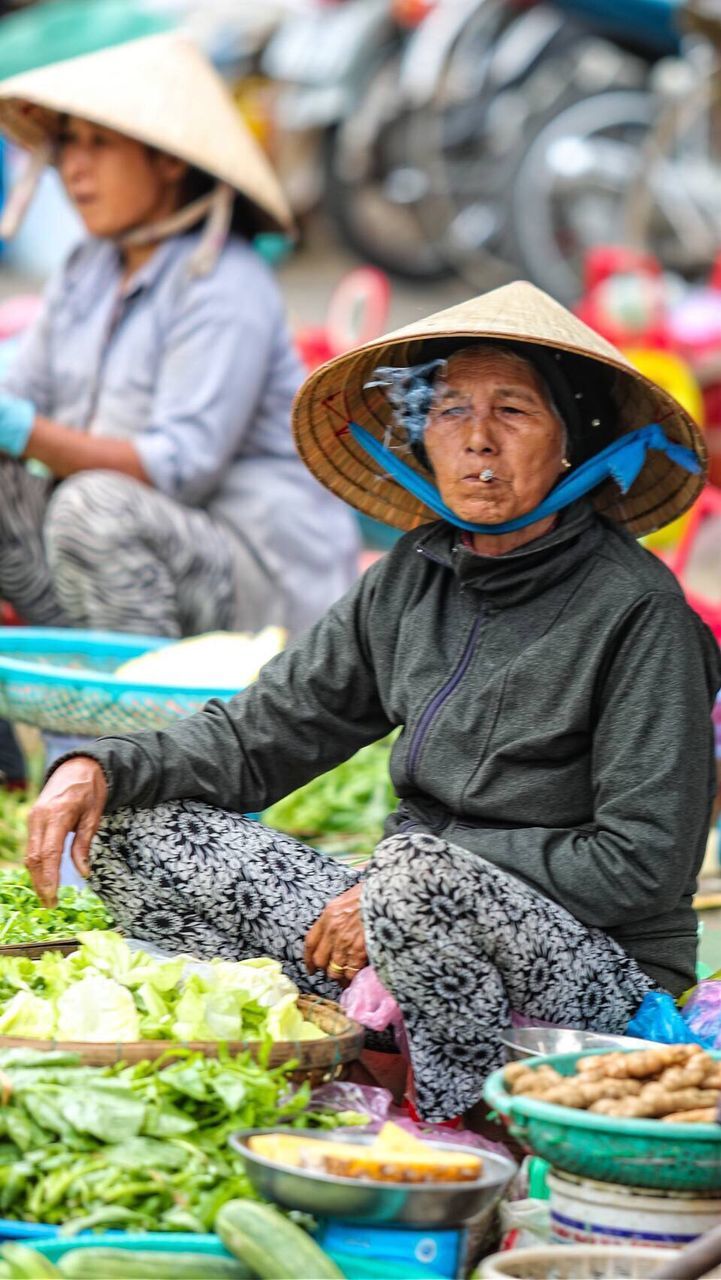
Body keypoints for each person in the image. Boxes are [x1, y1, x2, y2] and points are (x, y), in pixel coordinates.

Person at [26, 282, 721, 1122]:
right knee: (142, 826)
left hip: (596, 971)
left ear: (574, 442)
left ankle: (456, 1129)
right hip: (406, 918)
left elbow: (639, 862)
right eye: (451, 410)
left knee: (413, 874)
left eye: (512, 411)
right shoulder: (410, 580)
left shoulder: (640, 616)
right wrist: (99, 767)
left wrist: (422, 884)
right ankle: (317, 1070)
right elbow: (260, 737)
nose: (476, 440)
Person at [0, 31, 359, 641]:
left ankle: (137, 738)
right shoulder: (87, 268)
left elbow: (177, 472)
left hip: (251, 583)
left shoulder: (225, 283)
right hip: (119, 567)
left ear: (168, 160)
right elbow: (20, 385)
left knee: (95, 508)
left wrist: (23, 430)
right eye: (69, 144)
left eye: (99, 144)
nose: (75, 169)